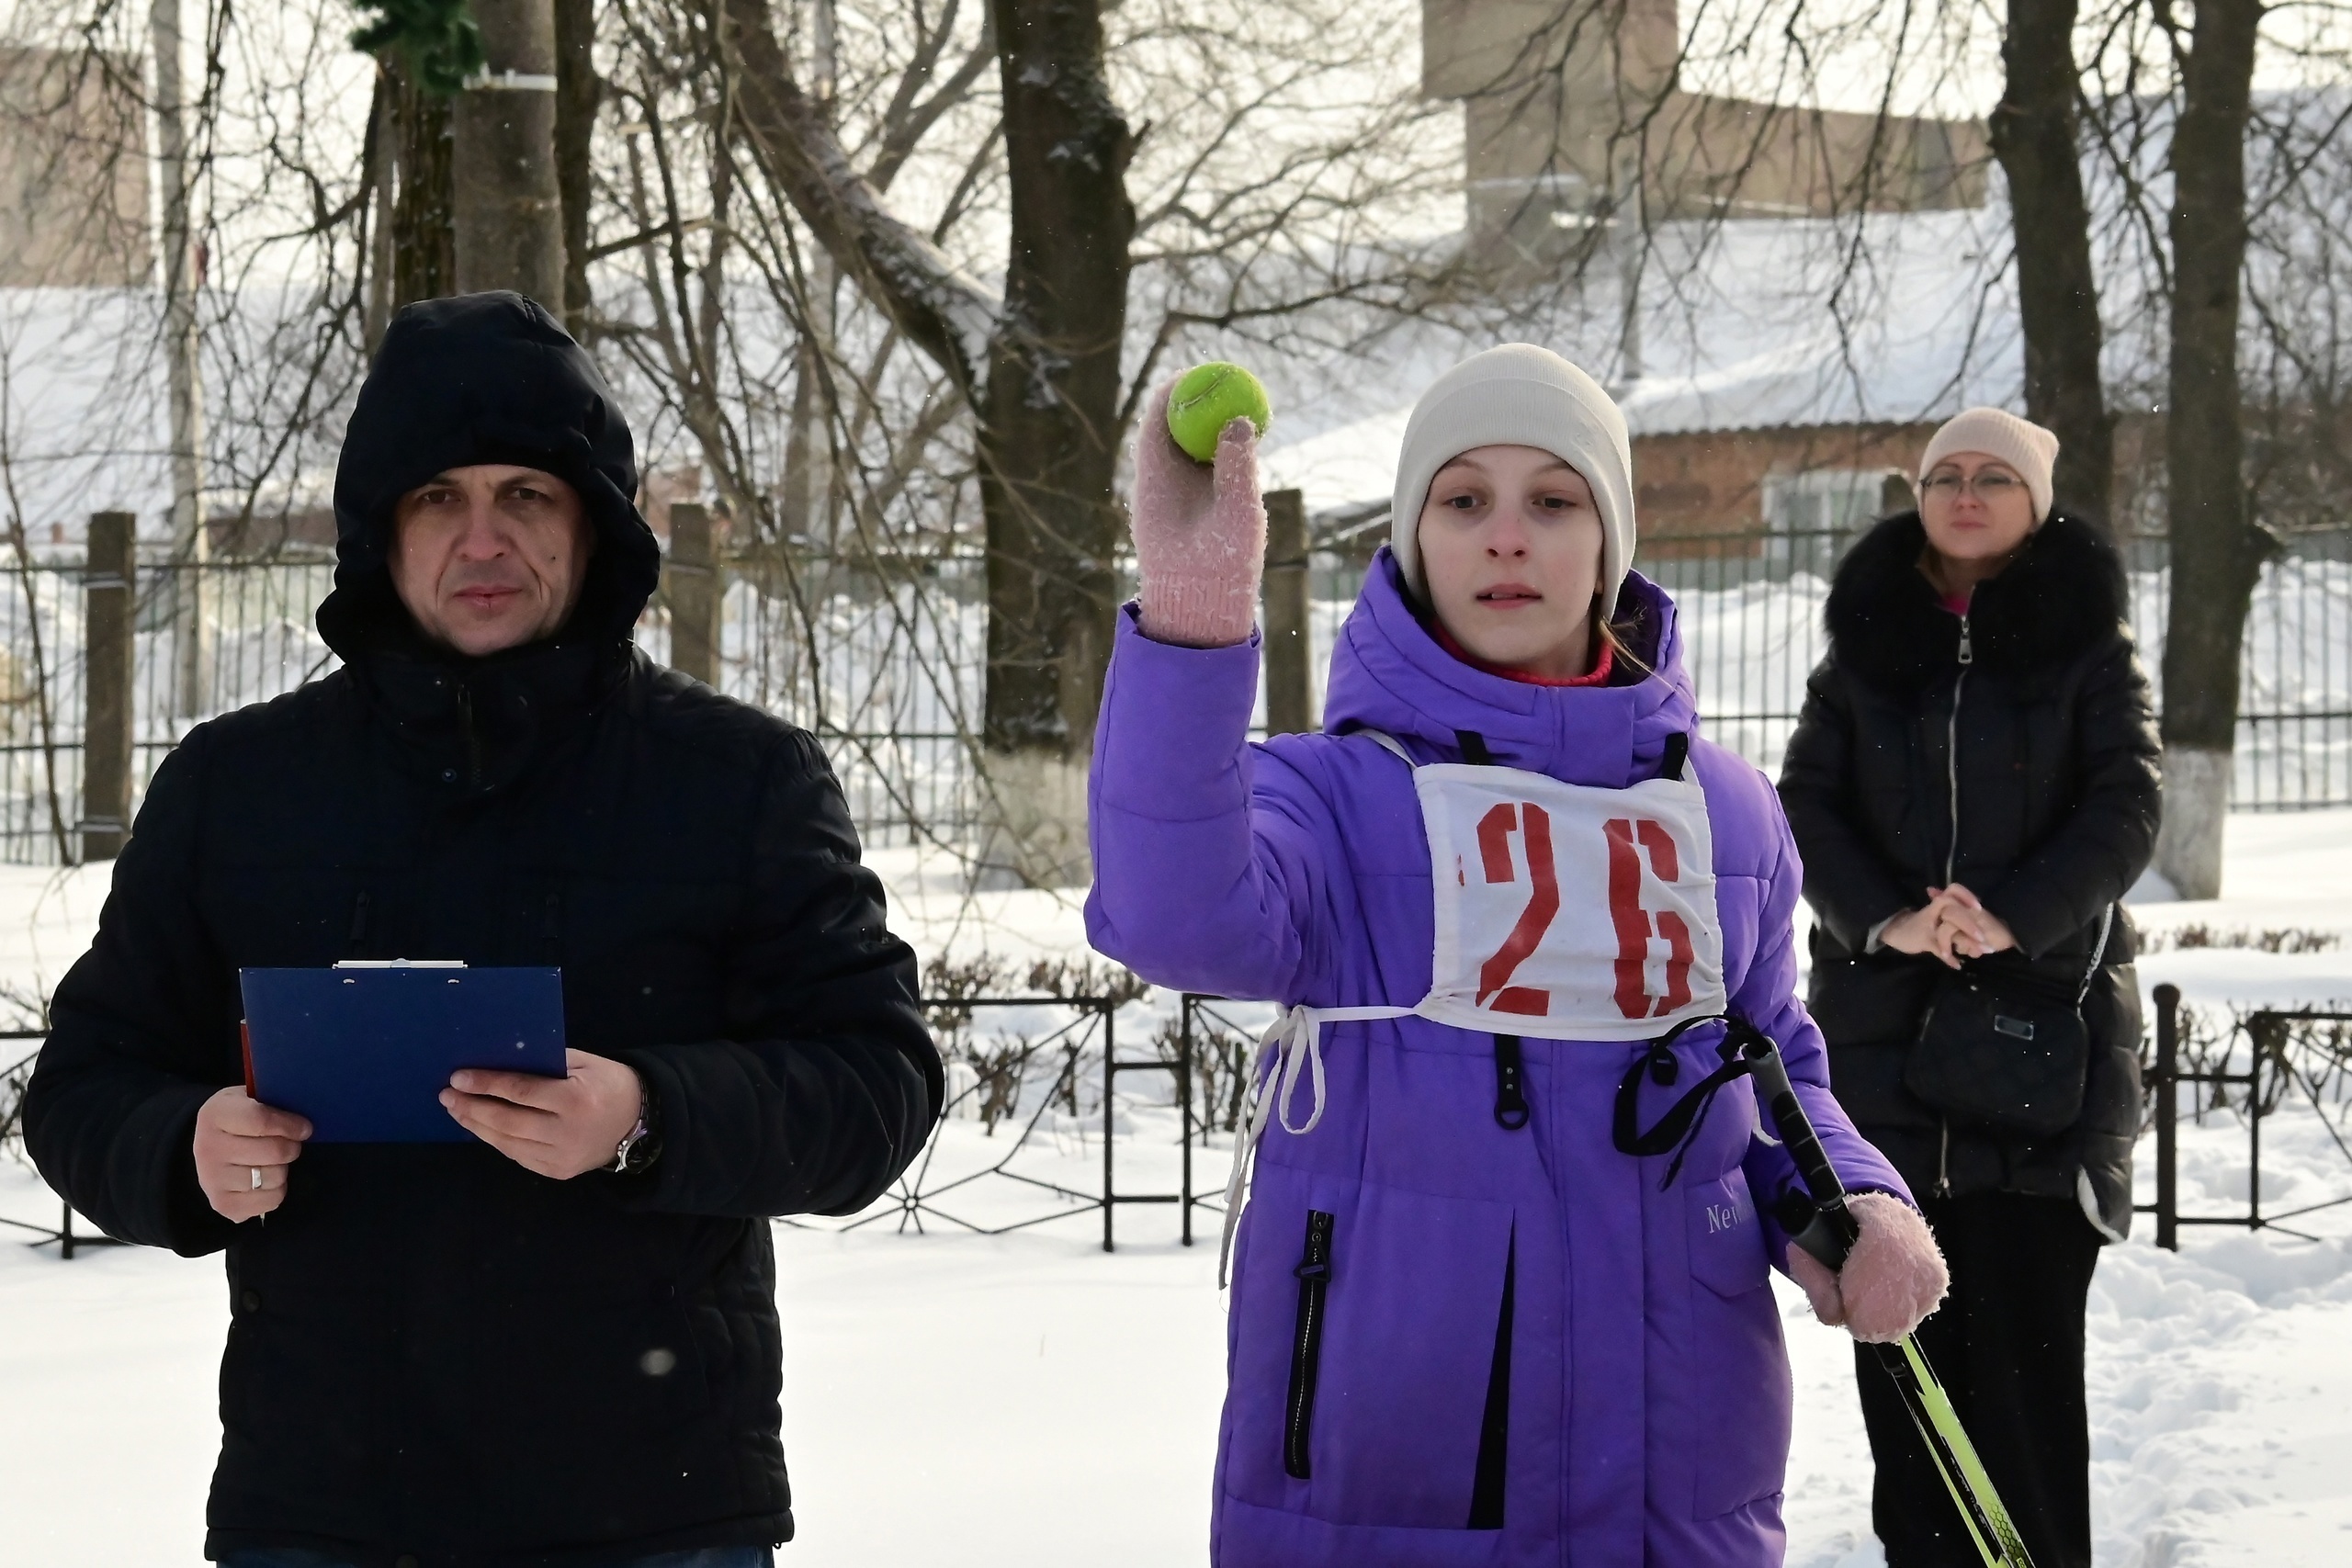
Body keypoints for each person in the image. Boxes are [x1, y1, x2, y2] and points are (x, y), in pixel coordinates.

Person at [24, 292, 941, 1568]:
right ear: (380, 533)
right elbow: (82, 1084)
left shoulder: (739, 782)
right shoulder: (239, 786)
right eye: (437, 497)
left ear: (594, 525)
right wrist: (180, 1144)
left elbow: (879, 1081)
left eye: (527, 493)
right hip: (326, 1504)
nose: (482, 536)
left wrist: (649, 1113)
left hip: (656, 1502)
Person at [1088, 343, 1946, 1566]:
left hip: (1678, 1459)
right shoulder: (1329, 795)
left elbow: (1771, 1068)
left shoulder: (1729, 809)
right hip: (1393, 1456)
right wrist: (1191, 630)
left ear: (1611, 539)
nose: (1505, 536)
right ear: (1414, 537)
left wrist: (1848, 1195)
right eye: (1462, 499)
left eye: (1553, 500)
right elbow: (1170, 918)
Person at [1778, 407, 2160, 1568]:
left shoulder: (2091, 652)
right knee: (1909, 1402)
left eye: (1996, 476)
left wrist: (2007, 915)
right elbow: (1805, 805)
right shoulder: (1862, 654)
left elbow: (2125, 806)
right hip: (1883, 1057)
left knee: (2028, 1397)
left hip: (2037, 1059)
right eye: (1947, 474)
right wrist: (1890, 918)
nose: (1967, 492)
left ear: (2036, 502)